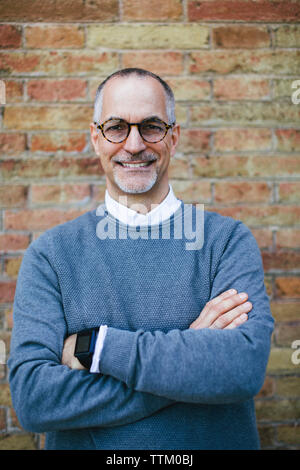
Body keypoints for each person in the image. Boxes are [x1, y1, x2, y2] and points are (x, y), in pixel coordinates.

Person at [8, 68, 274, 450]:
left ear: (174, 136)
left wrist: (97, 348)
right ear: (95, 138)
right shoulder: (51, 256)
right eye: (116, 127)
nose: (134, 145)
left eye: (151, 126)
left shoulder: (227, 241)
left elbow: (241, 369)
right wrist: (191, 354)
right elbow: (35, 401)